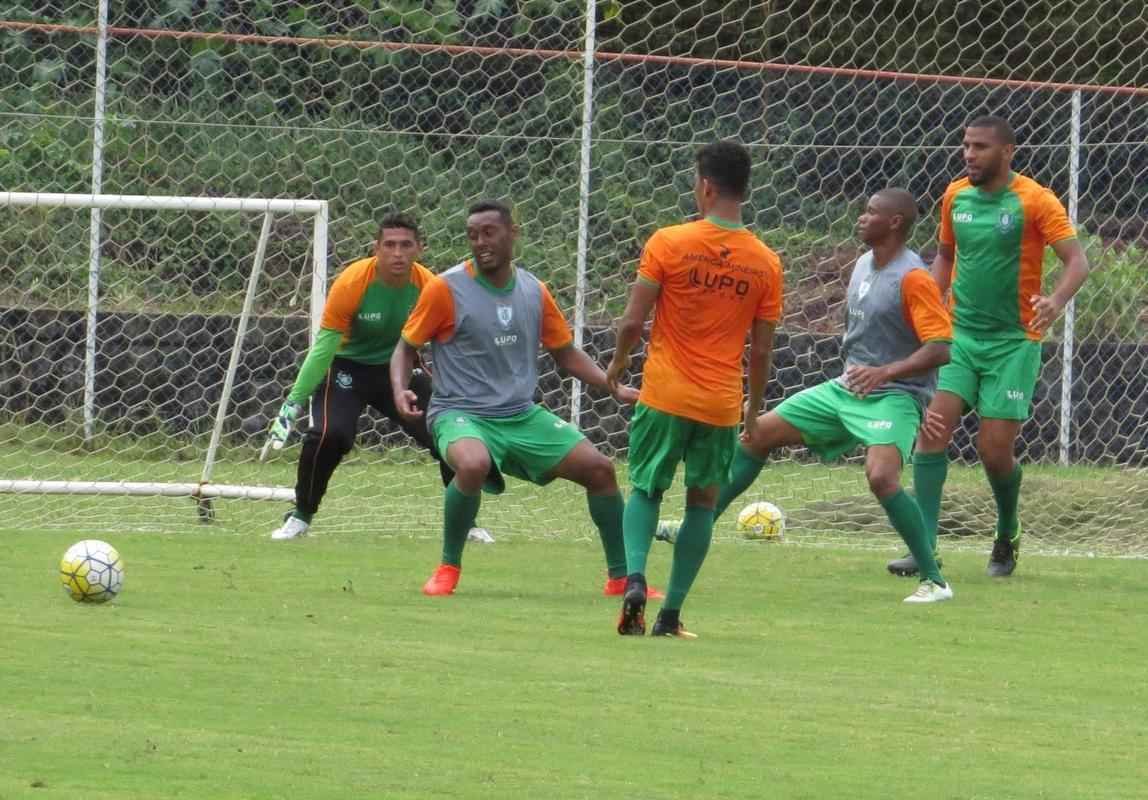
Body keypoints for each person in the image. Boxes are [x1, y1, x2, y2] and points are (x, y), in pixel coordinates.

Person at [673, 188, 957, 604]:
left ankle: (935, 581)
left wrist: (897, 382)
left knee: (881, 477)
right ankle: (696, 525)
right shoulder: (862, 264)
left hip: (893, 395)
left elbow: (940, 348)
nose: (861, 218)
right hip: (846, 389)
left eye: (870, 212)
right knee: (756, 434)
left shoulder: (914, 277)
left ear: (895, 222)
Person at [391, 200, 645, 597]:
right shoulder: (445, 288)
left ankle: (621, 579)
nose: (480, 242)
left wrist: (612, 385)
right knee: (472, 464)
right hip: (459, 412)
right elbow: (405, 347)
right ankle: (448, 567)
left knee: (600, 469)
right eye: (472, 235)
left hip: (520, 415)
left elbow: (566, 354)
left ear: (513, 233)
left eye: (488, 233)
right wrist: (399, 387)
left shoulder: (533, 291)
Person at [888, 115, 1089, 579]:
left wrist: (1056, 301)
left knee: (994, 451)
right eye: (966, 145)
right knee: (932, 432)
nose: (969, 154)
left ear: (1007, 152)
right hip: (958, 336)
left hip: (1013, 342)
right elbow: (945, 257)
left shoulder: (1035, 200)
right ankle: (924, 546)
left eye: (979, 147)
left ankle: (1007, 529)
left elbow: (1077, 261)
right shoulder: (955, 196)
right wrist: (928, 308)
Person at [607, 141, 783, 638]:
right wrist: (752, 410)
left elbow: (632, 321)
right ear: (745, 189)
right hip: (720, 402)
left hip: (664, 393)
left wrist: (618, 364)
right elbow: (762, 351)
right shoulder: (765, 262)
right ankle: (671, 615)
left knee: (646, 488)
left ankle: (635, 579)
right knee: (702, 504)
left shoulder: (669, 242)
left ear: (704, 186)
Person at [264, 213, 487, 542]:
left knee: (451, 433)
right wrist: (293, 402)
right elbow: (325, 346)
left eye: (406, 245)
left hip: (400, 370)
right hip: (347, 368)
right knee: (328, 435)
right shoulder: (353, 282)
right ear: (376, 249)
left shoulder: (429, 286)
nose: (398, 253)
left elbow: (447, 342)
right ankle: (300, 516)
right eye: (390, 245)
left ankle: (466, 523)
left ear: (419, 249)